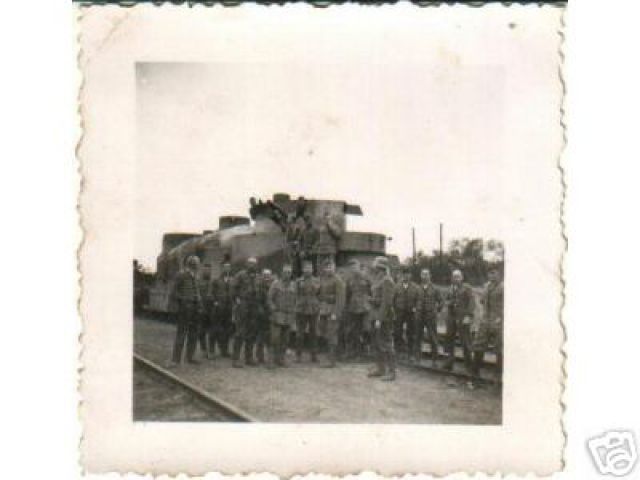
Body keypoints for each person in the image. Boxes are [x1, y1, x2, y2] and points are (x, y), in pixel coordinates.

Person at [169, 255, 204, 367]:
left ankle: (190, 357)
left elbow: (198, 292)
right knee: (182, 333)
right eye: (197, 263)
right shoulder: (181, 274)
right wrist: (184, 300)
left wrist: (200, 304)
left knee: (194, 333)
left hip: (195, 308)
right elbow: (174, 292)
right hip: (185, 308)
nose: (198, 265)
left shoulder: (196, 276)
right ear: (192, 264)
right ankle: (175, 359)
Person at [471, 268, 504, 376]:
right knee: (478, 344)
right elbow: (482, 301)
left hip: (498, 321)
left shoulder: (503, 287)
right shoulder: (486, 286)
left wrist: (501, 317)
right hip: (485, 320)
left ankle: (499, 373)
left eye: (494, 273)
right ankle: (475, 372)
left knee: (499, 348)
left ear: (499, 275)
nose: (491, 276)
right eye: (490, 274)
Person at [368, 256, 397, 381]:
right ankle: (380, 369)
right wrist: (372, 300)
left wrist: (380, 319)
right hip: (375, 315)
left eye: (376, 266)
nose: (374, 268)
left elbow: (387, 302)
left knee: (387, 344)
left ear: (381, 267)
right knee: (377, 343)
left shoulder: (387, 281)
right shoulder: (378, 279)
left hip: (384, 317)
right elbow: (378, 298)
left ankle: (392, 372)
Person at [230, 257, 261, 368]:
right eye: (250, 264)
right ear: (246, 264)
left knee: (251, 333)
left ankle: (249, 358)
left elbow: (259, 291)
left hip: (253, 306)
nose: (252, 266)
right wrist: (237, 301)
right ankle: (235, 359)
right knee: (240, 332)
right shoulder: (240, 275)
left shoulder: (257, 277)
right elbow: (233, 289)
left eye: (254, 264)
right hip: (243, 305)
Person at [443, 269, 475, 372]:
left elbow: (472, 302)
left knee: (465, 341)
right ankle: (449, 362)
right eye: (454, 276)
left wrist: (468, 316)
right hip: (451, 317)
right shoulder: (450, 288)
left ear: (462, 277)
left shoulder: (467, 288)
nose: (455, 279)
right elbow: (446, 300)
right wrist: (449, 303)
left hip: (462, 318)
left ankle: (469, 365)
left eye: (458, 276)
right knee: (449, 340)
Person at [267, 264, 297, 368]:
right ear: (282, 273)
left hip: (288, 316)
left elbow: (295, 299)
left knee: (285, 339)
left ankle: (281, 359)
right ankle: (271, 360)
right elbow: (269, 298)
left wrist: (294, 311)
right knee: (275, 338)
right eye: (285, 272)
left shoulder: (293, 285)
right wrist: (273, 309)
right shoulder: (275, 284)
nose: (287, 274)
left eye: (289, 272)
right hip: (277, 314)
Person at [318, 259, 346, 367]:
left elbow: (341, 299)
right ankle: (328, 357)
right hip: (324, 310)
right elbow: (320, 294)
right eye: (327, 267)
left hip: (332, 311)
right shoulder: (323, 279)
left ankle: (332, 360)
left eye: (331, 267)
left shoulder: (338, 280)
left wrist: (336, 313)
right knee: (325, 333)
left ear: (334, 268)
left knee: (332, 334)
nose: (328, 269)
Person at [344, 259, 371, 359]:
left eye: (355, 267)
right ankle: (354, 352)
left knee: (366, 329)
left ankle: (366, 350)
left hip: (365, 307)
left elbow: (371, 291)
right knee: (353, 330)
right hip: (353, 308)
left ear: (359, 267)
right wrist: (346, 306)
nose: (353, 269)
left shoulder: (366, 278)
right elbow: (347, 294)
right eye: (351, 268)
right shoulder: (349, 280)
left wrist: (370, 301)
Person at [415, 268, 443, 365]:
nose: (425, 276)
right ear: (420, 276)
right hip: (419, 316)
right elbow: (414, 300)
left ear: (430, 276)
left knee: (433, 337)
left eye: (426, 274)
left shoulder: (435, 288)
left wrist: (436, 311)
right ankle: (417, 358)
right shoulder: (417, 288)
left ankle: (434, 360)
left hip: (430, 316)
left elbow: (441, 302)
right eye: (423, 274)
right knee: (418, 337)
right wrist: (415, 310)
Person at [295, 260, 320, 362]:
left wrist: (317, 304)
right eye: (306, 268)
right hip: (301, 309)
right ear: (303, 270)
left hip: (313, 309)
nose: (308, 271)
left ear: (312, 270)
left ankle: (314, 355)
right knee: (299, 333)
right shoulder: (298, 281)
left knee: (313, 332)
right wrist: (297, 304)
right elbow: (295, 294)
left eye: (310, 268)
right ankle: (298, 355)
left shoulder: (317, 281)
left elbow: (319, 294)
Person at [392, 267, 421, 357]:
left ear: (411, 275)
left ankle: (410, 353)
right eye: (404, 274)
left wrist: (416, 308)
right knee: (397, 332)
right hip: (399, 312)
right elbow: (392, 299)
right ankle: (398, 351)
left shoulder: (416, 287)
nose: (406, 276)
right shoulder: (396, 286)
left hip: (410, 313)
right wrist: (393, 311)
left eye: (408, 274)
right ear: (402, 275)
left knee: (411, 333)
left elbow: (419, 300)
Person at [209, 262, 234, 357]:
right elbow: (210, 293)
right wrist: (215, 302)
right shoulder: (216, 280)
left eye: (228, 267)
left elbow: (234, 292)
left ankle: (224, 350)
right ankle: (211, 351)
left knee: (227, 330)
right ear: (221, 269)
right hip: (218, 309)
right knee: (215, 330)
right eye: (225, 267)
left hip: (228, 309)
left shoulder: (232, 280)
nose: (227, 269)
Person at [254, 269, 275, 364]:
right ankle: (260, 356)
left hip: (271, 314)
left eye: (268, 275)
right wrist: (261, 311)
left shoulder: (273, 286)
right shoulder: (259, 287)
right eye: (265, 275)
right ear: (262, 276)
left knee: (270, 336)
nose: (267, 277)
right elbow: (258, 301)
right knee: (260, 336)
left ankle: (270, 358)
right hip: (261, 315)